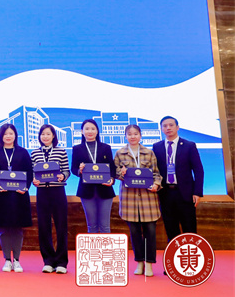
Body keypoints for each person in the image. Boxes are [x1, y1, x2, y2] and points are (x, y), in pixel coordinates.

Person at [115, 124, 162, 277]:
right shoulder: (120, 153)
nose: (133, 136)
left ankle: (149, 263)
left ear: (140, 135)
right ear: (125, 136)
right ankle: (139, 262)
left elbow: (156, 174)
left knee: (150, 232)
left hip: (148, 199)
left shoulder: (149, 153)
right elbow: (115, 172)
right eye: (129, 134)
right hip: (129, 200)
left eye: (135, 133)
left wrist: (156, 184)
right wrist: (121, 173)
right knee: (134, 233)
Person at [153, 116, 204, 242]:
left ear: (177, 127)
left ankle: (191, 253)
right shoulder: (157, 147)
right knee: (171, 229)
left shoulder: (189, 145)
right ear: (161, 129)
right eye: (165, 126)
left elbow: (198, 170)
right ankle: (174, 253)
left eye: (171, 125)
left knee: (189, 228)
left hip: (185, 194)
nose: (168, 128)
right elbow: (154, 169)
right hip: (165, 193)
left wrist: (197, 192)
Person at [0, 123, 33, 273]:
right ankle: (7, 260)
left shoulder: (23, 152)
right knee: (3, 228)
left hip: (19, 196)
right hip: (1, 195)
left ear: (15, 135)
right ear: (1, 136)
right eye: (5, 134)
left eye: (11, 133)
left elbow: (29, 172)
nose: (8, 136)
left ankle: (16, 260)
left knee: (17, 228)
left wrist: (25, 187)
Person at [31, 124, 70, 274]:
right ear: (39, 136)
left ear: (53, 136)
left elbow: (66, 170)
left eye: (48, 134)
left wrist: (63, 176)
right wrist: (34, 180)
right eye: (43, 134)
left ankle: (61, 262)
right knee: (43, 226)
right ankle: (48, 261)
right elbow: (33, 172)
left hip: (58, 191)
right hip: (42, 192)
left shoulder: (61, 151)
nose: (45, 136)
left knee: (61, 226)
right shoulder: (35, 153)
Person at [70, 118, 116, 233]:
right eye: (87, 129)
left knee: (105, 226)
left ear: (97, 131)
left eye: (93, 129)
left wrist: (111, 179)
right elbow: (73, 168)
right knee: (92, 226)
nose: (90, 131)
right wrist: (79, 170)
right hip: (86, 191)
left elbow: (112, 167)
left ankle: (105, 246)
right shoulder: (77, 149)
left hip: (105, 189)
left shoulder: (106, 147)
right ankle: (93, 246)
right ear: (82, 131)